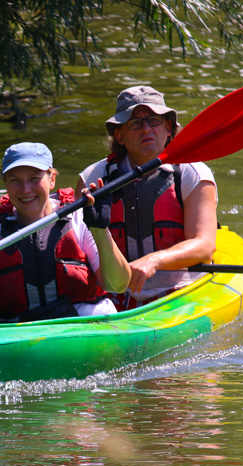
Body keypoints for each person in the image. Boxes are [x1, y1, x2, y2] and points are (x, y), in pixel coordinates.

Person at [0, 142, 131, 323]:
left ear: (52, 179)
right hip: (20, 329)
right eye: (15, 181)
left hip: (81, 323)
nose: (25, 189)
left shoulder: (80, 220)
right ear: (6, 184)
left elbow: (118, 285)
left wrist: (100, 229)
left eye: (34, 179)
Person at [76, 85, 218, 309]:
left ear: (168, 128)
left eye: (154, 120)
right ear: (119, 135)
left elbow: (205, 246)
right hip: (114, 295)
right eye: (135, 123)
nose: (145, 129)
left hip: (180, 291)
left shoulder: (192, 174)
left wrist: (155, 259)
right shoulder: (93, 179)